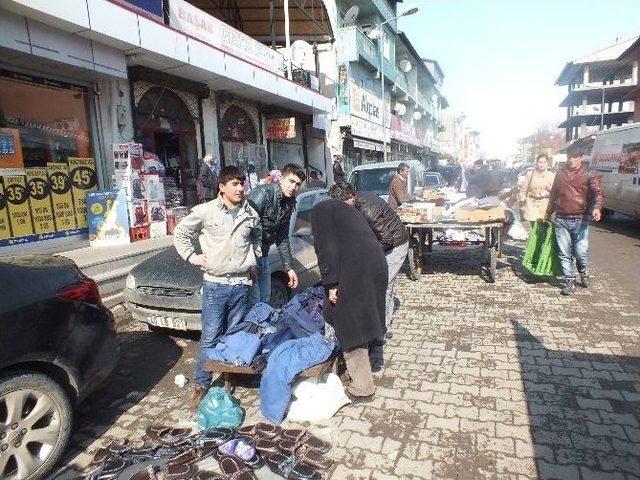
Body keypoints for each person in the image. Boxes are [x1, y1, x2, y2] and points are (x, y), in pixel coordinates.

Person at [173, 166, 262, 409]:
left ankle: (228, 377)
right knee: (210, 337)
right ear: (221, 187)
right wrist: (193, 256)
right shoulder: (206, 211)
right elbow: (180, 233)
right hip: (216, 286)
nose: (240, 188)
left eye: (242, 183)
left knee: (233, 336)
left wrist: (252, 260)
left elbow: (257, 238)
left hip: (241, 284)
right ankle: (201, 386)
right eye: (234, 184)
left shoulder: (250, 213)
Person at [311, 198, 388, 403]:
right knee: (366, 317)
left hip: (357, 270)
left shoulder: (319, 210)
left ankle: (363, 387)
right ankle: (358, 370)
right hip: (376, 264)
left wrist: (331, 283)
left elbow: (326, 247)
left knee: (350, 324)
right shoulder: (346, 210)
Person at [328, 181, 408, 334]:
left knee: (383, 285)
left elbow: (387, 240)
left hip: (396, 245)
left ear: (351, 197)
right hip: (380, 241)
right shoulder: (351, 204)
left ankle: (382, 330)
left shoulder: (368, 210)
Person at [545, 147, 604, 296]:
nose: (571, 160)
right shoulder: (560, 174)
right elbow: (553, 195)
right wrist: (548, 212)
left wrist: (597, 207)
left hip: (581, 219)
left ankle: (583, 271)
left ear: (581, 157)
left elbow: (598, 193)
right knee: (564, 253)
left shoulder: (589, 173)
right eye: (569, 157)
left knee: (580, 252)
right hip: (561, 219)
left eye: (575, 156)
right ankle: (569, 281)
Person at [247, 163, 305, 308]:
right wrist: (250, 264)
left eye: (298, 184)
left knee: (265, 300)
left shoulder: (290, 203)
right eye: (291, 181)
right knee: (253, 303)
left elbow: (282, 237)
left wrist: (289, 268)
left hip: (263, 257)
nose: (293, 187)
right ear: (281, 179)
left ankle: (260, 329)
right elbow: (244, 229)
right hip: (249, 259)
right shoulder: (263, 194)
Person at [519, 153, 555, 226]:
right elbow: (523, 190)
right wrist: (522, 205)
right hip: (532, 205)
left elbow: (555, 191)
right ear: (536, 163)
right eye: (540, 162)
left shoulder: (551, 175)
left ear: (547, 163)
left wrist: (549, 191)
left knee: (544, 228)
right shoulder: (530, 174)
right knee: (534, 227)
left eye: (544, 162)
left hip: (545, 205)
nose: (542, 164)